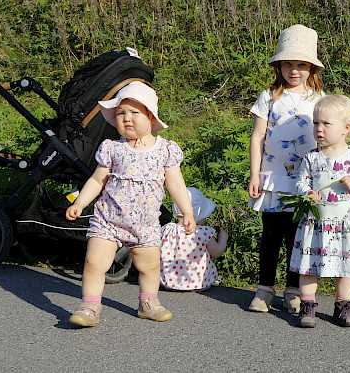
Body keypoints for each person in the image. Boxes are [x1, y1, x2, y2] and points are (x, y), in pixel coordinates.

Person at [65, 81, 195, 327]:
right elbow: (97, 179)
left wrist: (186, 211)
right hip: (108, 220)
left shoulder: (165, 150)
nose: (126, 118)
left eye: (134, 112)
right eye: (121, 113)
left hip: (145, 224)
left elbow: (176, 184)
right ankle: (90, 306)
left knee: (149, 266)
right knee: (95, 262)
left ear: (150, 116)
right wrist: (80, 202)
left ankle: (149, 303)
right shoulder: (112, 149)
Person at [247, 24, 326, 314]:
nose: (294, 71)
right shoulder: (269, 96)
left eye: (301, 65)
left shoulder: (318, 99)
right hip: (272, 178)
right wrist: (255, 174)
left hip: (305, 181)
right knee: (271, 235)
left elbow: (326, 138)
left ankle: (293, 290)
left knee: (299, 235)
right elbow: (257, 137)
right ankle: (264, 290)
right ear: (279, 65)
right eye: (288, 64)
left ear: (311, 68)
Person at [290, 94, 350, 328]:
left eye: (326, 124)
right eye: (316, 123)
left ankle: (343, 307)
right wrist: (307, 193)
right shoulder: (312, 157)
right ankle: (307, 306)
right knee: (309, 266)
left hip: (345, 224)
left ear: (346, 128)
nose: (319, 128)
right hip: (315, 223)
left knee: (345, 268)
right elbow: (300, 183)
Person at [160, 187, 229, 291]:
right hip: (199, 283)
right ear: (199, 215)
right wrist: (223, 238)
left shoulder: (167, 229)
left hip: (167, 282)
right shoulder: (202, 232)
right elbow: (216, 252)